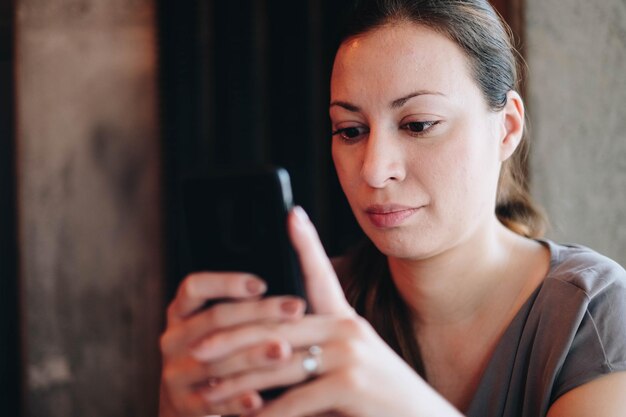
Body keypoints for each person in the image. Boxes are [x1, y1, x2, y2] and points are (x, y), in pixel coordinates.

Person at [158, 0, 626, 416]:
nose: (375, 171)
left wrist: (395, 396)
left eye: (419, 124)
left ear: (505, 128)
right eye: (350, 130)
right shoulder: (305, 316)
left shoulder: (594, 315)